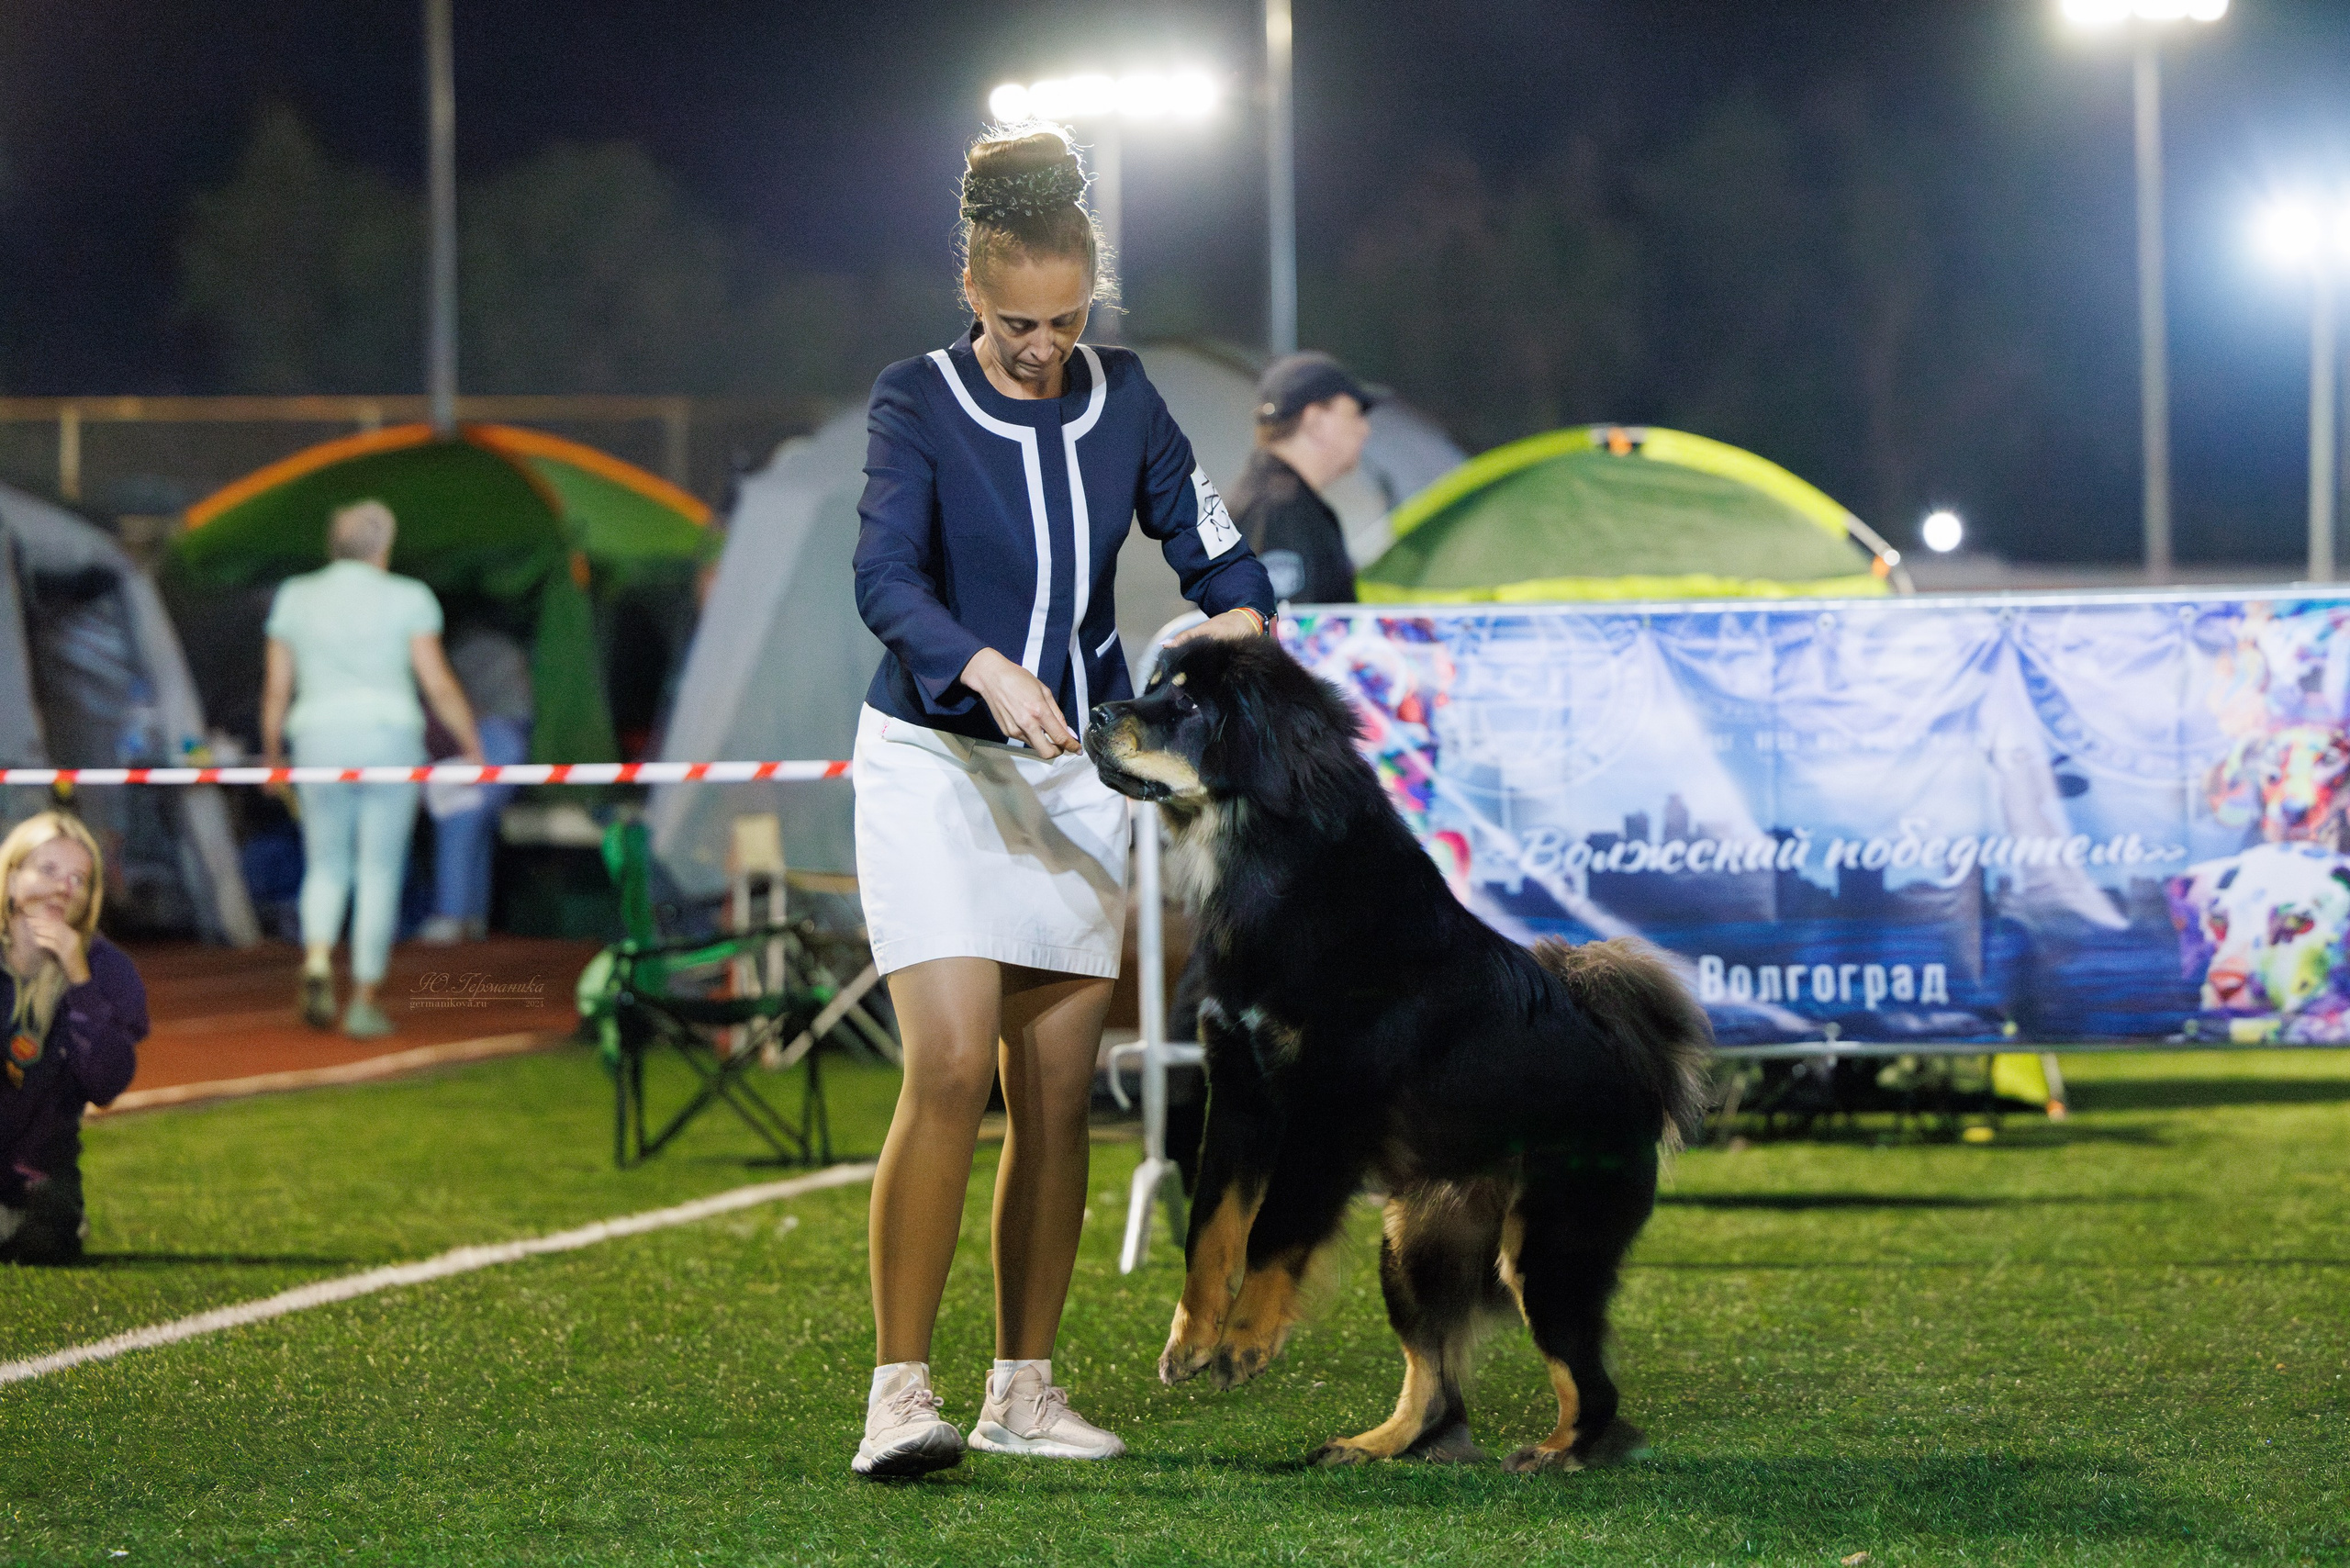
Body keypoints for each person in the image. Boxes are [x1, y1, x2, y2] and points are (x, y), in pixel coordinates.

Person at [849, 122, 1277, 1478]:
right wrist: (976, 663)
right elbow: (884, 583)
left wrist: (1243, 623)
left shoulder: (1131, 397)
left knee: (1055, 1087)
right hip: (933, 759)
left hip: (1077, 775)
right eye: (1019, 318)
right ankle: (898, 1397)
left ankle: (1022, 1389)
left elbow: (1216, 552)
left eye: (1067, 315)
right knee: (954, 1061)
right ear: (971, 293)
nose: (1044, 342)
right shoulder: (912, 401)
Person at [261, 499, 483, 1039]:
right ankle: (363, 1000)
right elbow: (437, 683)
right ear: (384, 546)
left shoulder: (295, 596)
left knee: (325, 862)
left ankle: (316, 957)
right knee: (380, 869)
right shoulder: (409, 597)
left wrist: (272, 754)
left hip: (316, 734)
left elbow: (276, 688)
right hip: (388, 735)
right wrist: (471, 745)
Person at [0, 811, 146, 1264]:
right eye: (47, 871)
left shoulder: (107, 968)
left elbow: (106, 1084)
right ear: (10, 878)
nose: (64, 887)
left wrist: (79, 979)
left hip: (38, 1173)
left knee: (42, 1242)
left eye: (78, 879)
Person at [1228, 352, 1377, 605]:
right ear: (1316, 422)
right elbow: (1286, 636)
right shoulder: (1280, 511)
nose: (1365, 429)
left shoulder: (1274, 502)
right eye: (1355, 413)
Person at [418, 624, 533, 945]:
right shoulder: (503, 644)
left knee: (460, 819)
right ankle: (471, 919)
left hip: (490, 737)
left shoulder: (457, 652)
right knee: (474, 828)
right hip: (512, 737)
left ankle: (452, 916)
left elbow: (453, 702)